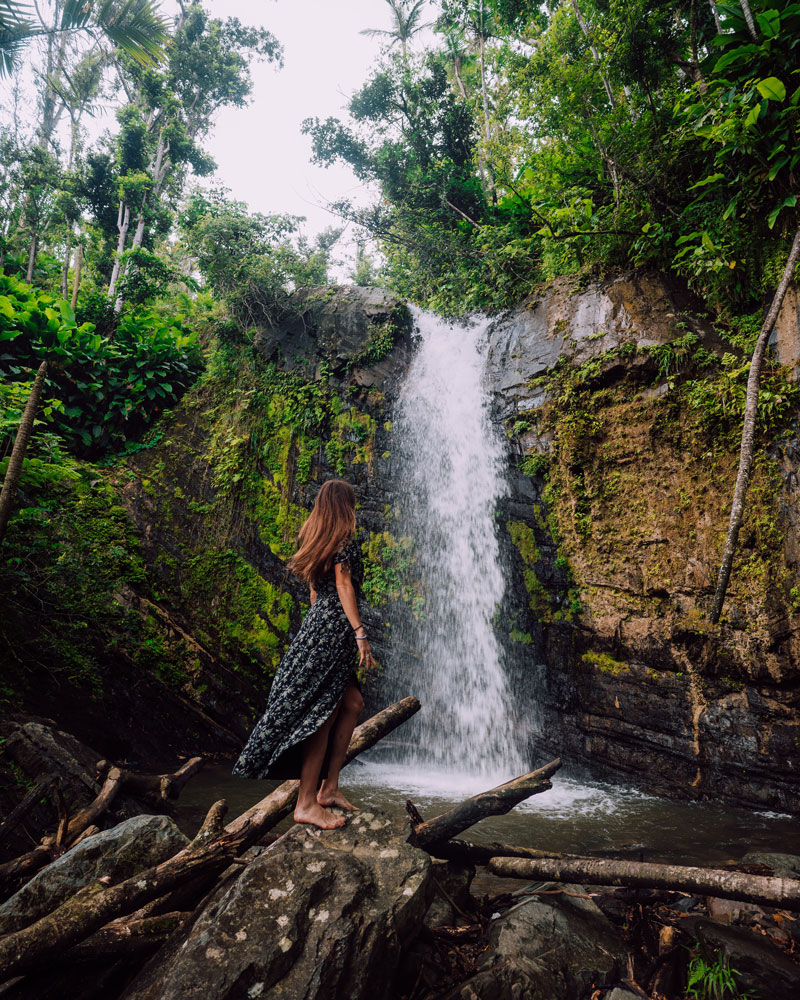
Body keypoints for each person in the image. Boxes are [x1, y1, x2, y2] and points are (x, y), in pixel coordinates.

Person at [232, 478, 374, 830]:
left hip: (321, 628)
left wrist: (321, 630)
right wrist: (358, 632)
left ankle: (329, 789)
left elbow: (314, 594)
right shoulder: (341, 541)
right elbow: (343, 586)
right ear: (345, 506)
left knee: (352, 704)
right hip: (335, 631)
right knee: (322, 714)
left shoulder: (318, 540)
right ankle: (306, 803)